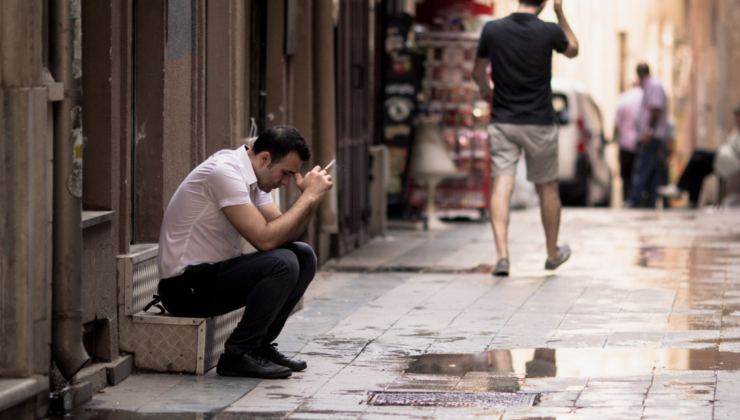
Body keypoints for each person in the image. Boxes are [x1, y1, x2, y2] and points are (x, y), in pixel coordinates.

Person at [156, 126, 333, 379]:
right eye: (286, 173)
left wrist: (311, 198)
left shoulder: (255, 179)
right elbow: (266, 241)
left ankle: (259, 347)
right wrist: (308, 197)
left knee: (303, 256)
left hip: (212, 276)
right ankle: (237, 354)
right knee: (282, 262)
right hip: (185, 287)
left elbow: (285, 233)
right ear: (264, 159)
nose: (285, 182)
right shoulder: (225, 173)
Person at [473, 0, 579, 276]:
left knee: (501, 186)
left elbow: (477, 72)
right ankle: (552, 253)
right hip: (539, 123)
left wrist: (487, 92)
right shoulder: (550, 31)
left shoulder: (493, 30)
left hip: (503, 121)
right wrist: (560, 12)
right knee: (548, 189)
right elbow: (574, 50)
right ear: (543, 2)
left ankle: (502, 257)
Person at [625, 63, 668, 208]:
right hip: (652, 135)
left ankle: (635, 199)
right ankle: (650, 200)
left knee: (643, 167)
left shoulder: (654, 85)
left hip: (652, 135)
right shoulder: (649, 86)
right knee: (652, 169)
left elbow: (656, 109)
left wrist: (648, 132)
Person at [613, 83, 643, 200]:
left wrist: (615, 140)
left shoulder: (623, 99)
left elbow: (617, 124)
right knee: (639, 175)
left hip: (625, 144)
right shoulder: (644, 97)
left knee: (626, 177)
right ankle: (638, 200)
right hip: (640, 143)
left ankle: (627, 200)